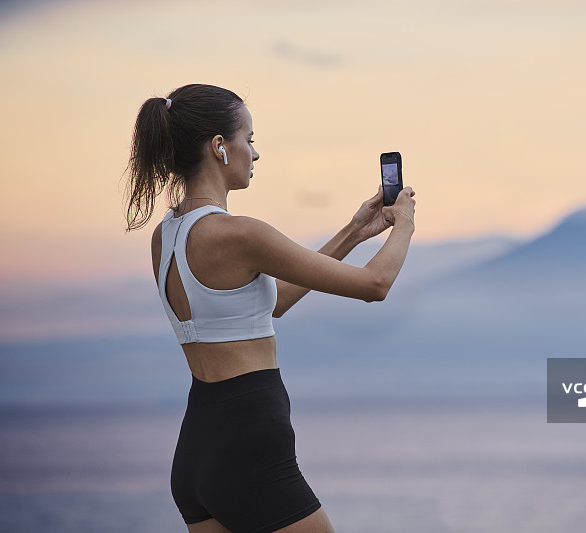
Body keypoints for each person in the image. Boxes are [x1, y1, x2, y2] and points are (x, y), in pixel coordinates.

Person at [123, 83, 416, 533]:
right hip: (251, 447)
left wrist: (356, 231)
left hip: (198, 451)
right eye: (250, 139)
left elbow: (271, 302)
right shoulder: (240, 234)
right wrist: (405, 224)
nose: (255, 154)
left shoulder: (167, 236)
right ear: (220, 146)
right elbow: (374, 284)